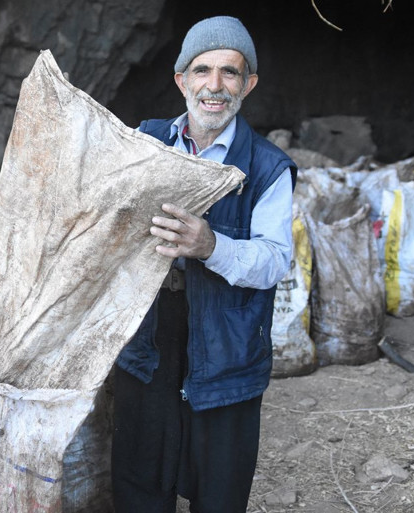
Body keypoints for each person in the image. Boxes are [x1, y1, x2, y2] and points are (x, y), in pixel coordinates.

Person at [113, 16, 298, 513]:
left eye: (230, 73)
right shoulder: (146, 142)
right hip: (146, 340)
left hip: (227, 348)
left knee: (219, 491)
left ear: (249, 84)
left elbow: (275, 261)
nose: (214, 86)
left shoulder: (267, 167)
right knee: (138, 482)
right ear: (181, 80)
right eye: (202, 71)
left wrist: (211, 245)